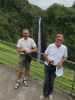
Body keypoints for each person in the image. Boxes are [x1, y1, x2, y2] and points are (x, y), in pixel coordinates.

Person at [40, 34, 68, 100]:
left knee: (52, 82)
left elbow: (65, 57)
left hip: (56, 68)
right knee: (46, 81)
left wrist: (61, 62)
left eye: (60, 40)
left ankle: (50, 93)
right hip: (47, 65)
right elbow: (45, 54)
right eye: (58, 39)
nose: (59, 41)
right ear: (55, 39)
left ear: (62, 40)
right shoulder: (50, 46)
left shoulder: (64, 48)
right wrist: (48, 60)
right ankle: (44, 94)